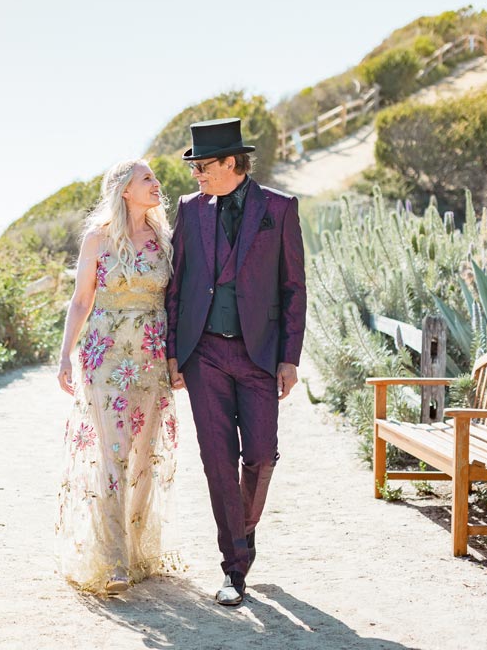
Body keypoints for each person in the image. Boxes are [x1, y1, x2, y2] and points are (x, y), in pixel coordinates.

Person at [165, 117, 306, 606]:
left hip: (260, 354)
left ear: (232, 163)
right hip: (204, 353)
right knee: (217, 462)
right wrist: (172, 353)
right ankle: (234, 567)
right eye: (194, 167)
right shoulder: (189, 210)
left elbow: (293, 287)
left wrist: (289, 357)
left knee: (262, 455)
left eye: (203, 166)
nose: (196, 175)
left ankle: (242, 532)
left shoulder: (280, 208)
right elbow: (176, 284)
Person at [55, 158, 179, 595]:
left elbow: (176, 304)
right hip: (105, 356)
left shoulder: (166, 240)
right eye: (147, 178)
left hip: (151, 356)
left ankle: (137, 550)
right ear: (125, 189)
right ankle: (113, 561)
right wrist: (65, 355)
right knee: (112, 454)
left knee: (145, 457)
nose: (156, 183)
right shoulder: (98, 238)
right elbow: (80, 300)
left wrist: (175, 360)